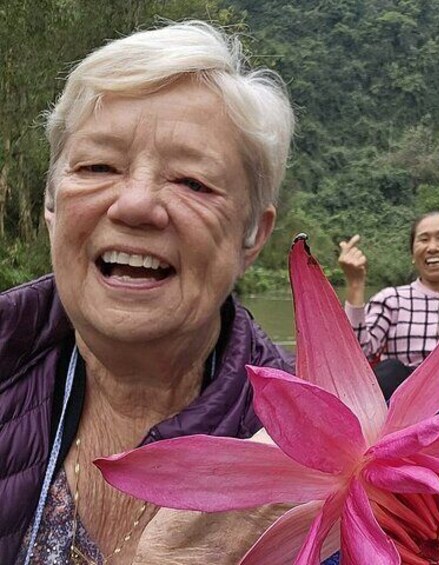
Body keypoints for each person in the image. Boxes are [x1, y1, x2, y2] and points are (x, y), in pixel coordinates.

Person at [0, 22, 296, 564]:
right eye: (96, 167)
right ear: (51, 209)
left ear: (253, 234)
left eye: (192, 182)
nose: (135, 205)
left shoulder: (311, 462)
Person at [338, 212, 439, 397]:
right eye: (423, 239)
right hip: (403, 399)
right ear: (413, 254)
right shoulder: (391, 300)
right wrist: (355, 284)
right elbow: (356, 358)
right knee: (391, 369)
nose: (432, 247)